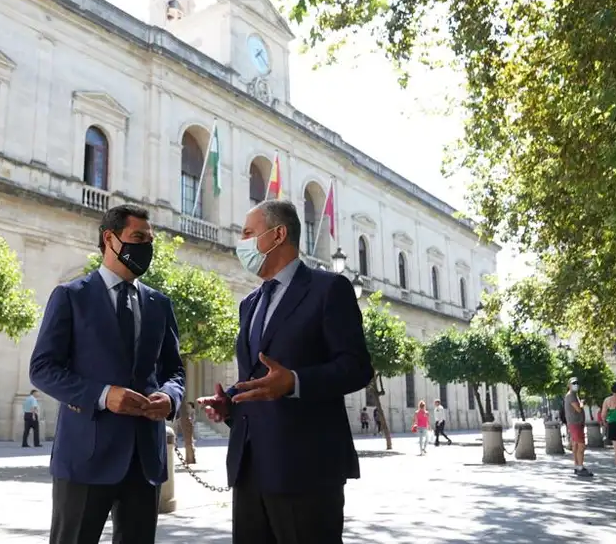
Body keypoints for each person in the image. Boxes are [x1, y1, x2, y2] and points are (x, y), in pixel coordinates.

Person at [196, 200, 373, 544]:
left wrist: (294, 382)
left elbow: (356, 368)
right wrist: (230, 401)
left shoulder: (328, 290)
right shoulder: (249, 303)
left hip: (306, 470)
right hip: (249, 468)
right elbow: (260, 374)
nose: (241, 242)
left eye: (248, 233)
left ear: (278, 235)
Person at [29, 204, 185, 544]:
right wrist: (102, 395)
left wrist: (170, 397)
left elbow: (174, 370)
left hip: (145, 460)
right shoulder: (71, 296)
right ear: (110, 239)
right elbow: (42, 369)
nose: (146, 246)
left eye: (150, 240)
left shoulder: (160, 304)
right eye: (137, 237)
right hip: (85, 456)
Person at [563, 377, 593, 477]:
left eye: (577, 383)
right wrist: (582, 403)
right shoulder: (571, 395)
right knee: (581, 446)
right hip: (576, 424)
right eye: (573, 383)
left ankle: (577, 466)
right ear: (569, 385)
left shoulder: (572, 395)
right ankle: (580, 467)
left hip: (574, 423)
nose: (576, 384)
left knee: (576, 446)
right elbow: (578, 409)